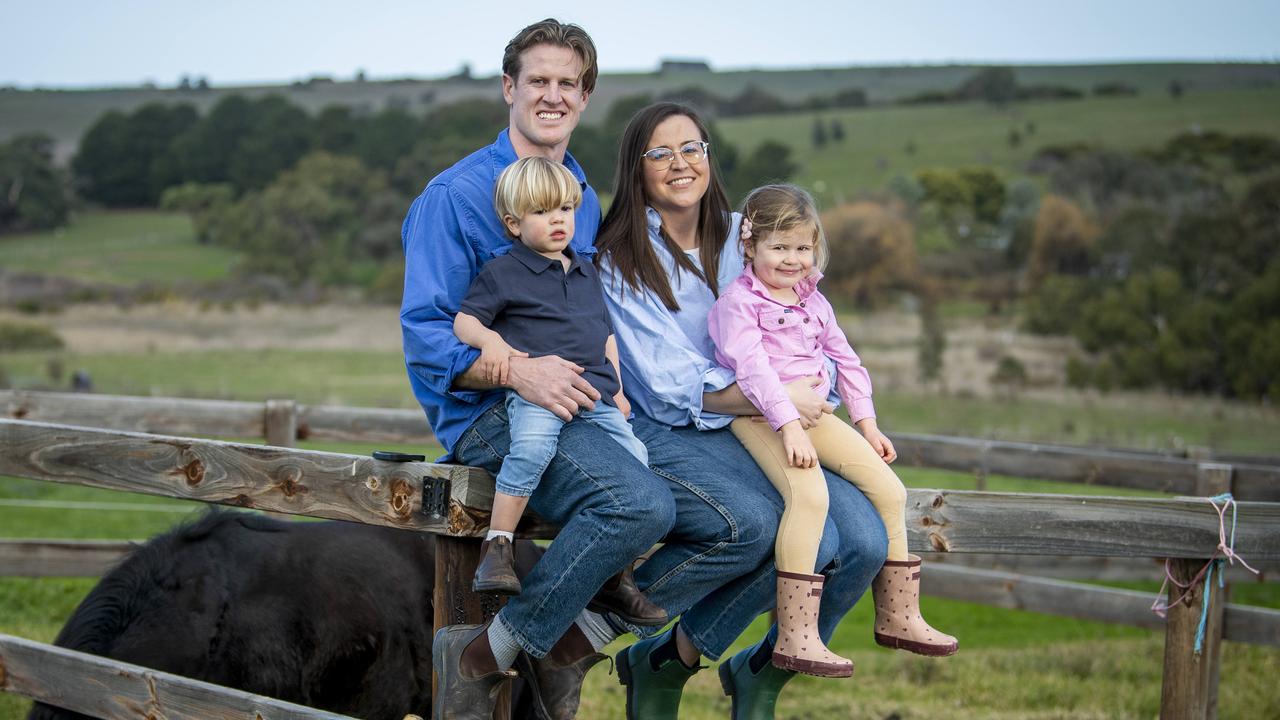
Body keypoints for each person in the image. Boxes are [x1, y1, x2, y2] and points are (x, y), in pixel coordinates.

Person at [400, 21, 813, 720]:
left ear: (585, 96)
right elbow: (427, 342)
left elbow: (589, 315)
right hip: (492, 415)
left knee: (750, 520)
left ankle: (566, 643)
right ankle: (479, 658)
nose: (552, 95)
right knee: (639, 504)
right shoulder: (455, 196)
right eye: (538, 80)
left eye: (568, 83)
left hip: (590, 405)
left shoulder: (580, 197)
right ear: (509, 88)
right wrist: (518, 373)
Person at [595, 102, 888, 719]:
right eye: (662, 153)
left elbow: (808, 324)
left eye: (692, 148)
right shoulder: (620, 257)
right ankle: (667, 663)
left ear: (709, 155)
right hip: (681, 422)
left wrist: (811, 389)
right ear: (637, 167)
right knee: (802, 529)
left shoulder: (745, 232)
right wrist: (773, 395)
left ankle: (765, 673)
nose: (681, 163)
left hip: (775, 414)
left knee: (865, 540)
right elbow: (667, 380)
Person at [709, 184, 958, 677]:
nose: (792, 259)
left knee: (890, 489)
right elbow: (753, 371)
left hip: (817, 417)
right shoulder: (737, 304)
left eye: (802, 247)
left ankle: (899, 615)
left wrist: (866, 423)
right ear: (749, 245)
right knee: (811, 498)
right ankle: (796, 635)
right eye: (779, 247)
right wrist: (790, 428)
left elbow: (846, 360)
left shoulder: (815, 302)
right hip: (761, 418)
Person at [452, 156, 664, 629]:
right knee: (530, 451)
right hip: (539, 394)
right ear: (513, 222)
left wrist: (621, 390)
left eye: (566, 210)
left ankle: (615, 575)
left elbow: (604, 333)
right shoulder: (503, 272)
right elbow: (465, 320)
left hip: (596, 394)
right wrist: (492, 344)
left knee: (636, 460)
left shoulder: (586, 270)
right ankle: (499, 546)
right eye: (544, 212)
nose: (559, 221)